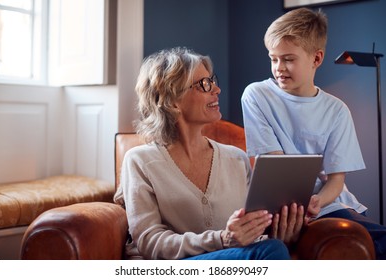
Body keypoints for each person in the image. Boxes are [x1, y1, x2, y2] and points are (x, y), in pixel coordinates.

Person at [113, 47, 291, 260]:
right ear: (172, 101)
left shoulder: (237, 158)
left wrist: (281, 227)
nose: (216, 89)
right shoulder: (139, 161)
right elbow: (150, 242)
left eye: (212, 81)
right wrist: (223, 239)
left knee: (272, 247)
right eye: (204, 84)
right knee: (270, 252)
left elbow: (251, 232)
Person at [241, 7, 386, 259]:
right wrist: (298, 208)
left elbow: (336, 181)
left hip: (329, 204)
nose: (279, 68)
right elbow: (278, 171)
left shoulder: (337, 111)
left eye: (288, 59)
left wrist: (317, 202)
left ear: (316, 59)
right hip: (284, 206)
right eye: (273, 58)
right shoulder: (256, 95)